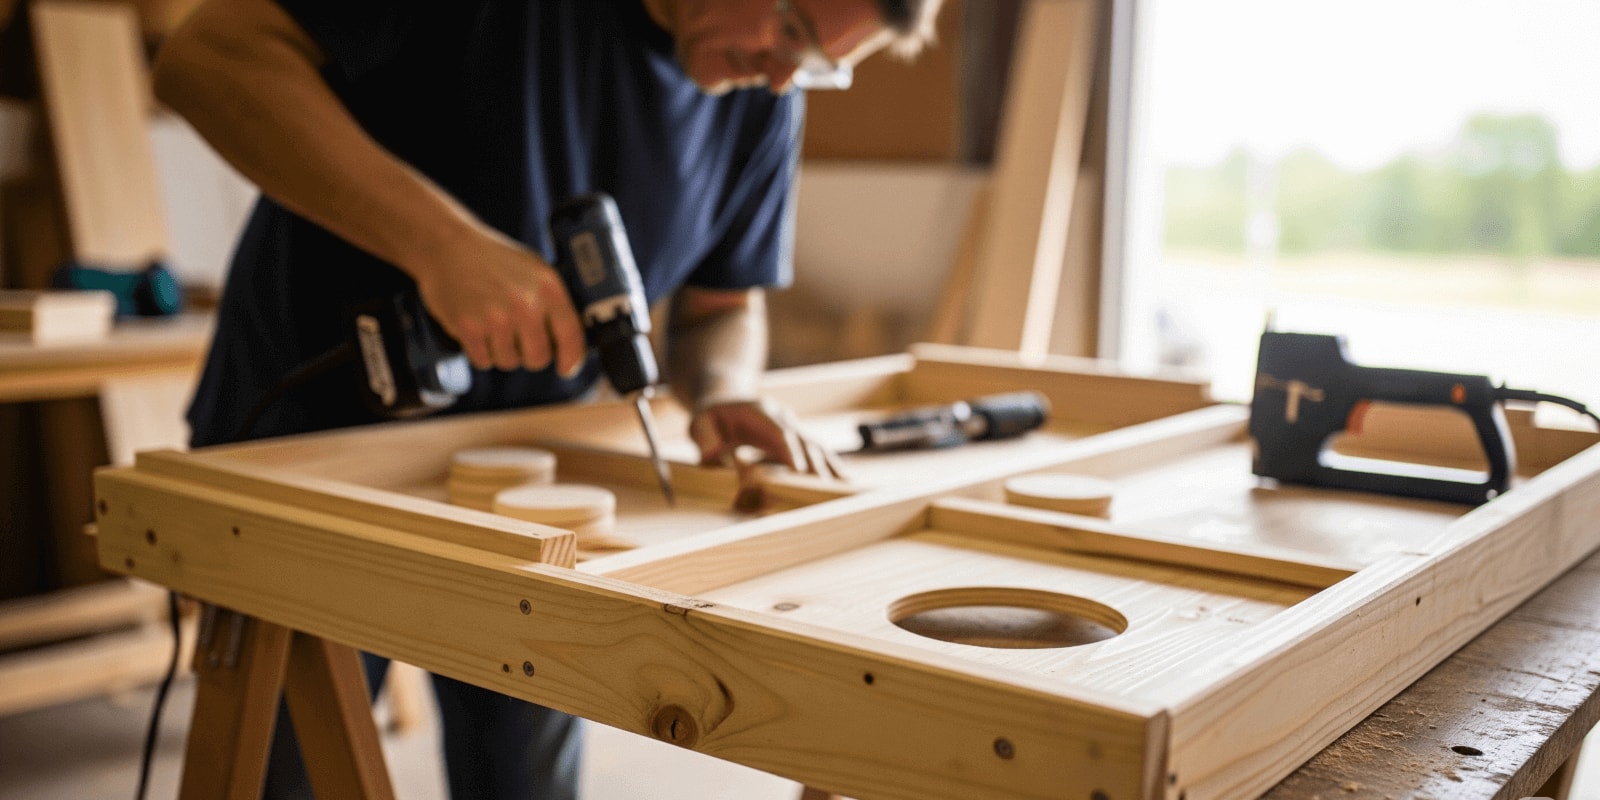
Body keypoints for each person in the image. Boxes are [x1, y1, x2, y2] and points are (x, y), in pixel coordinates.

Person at [152, 0, 943, 797]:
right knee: (287, 771)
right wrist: (444, 247)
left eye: (817, 65)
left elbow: (723, 308)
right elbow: (207, 62)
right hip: (310, 440)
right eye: (792, 29)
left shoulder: (762, 103)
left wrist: (724, 390)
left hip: (527, 489)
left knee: (524, 781)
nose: (779, 76)